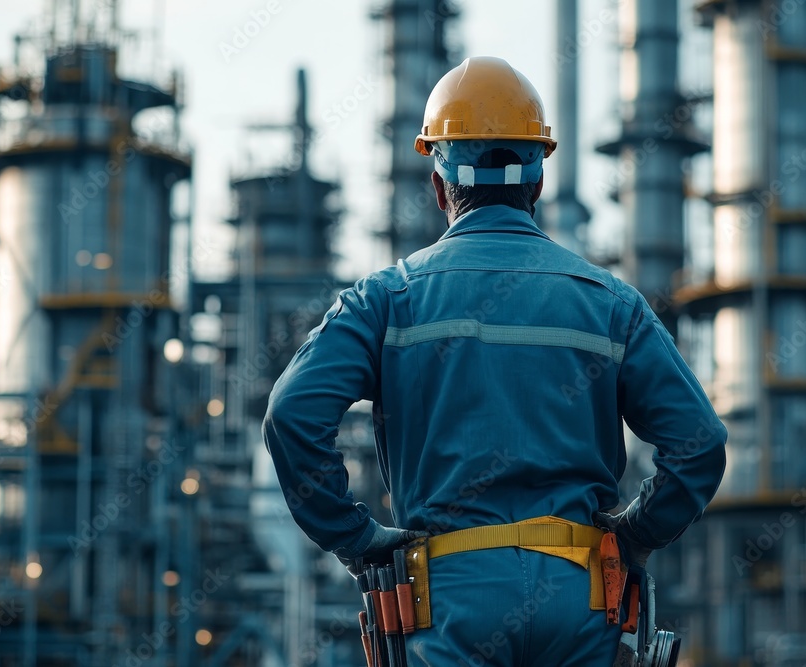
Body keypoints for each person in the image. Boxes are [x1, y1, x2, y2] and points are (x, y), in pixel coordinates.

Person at [262, 56, 727, 666]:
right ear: (536, 181)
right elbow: (700, 444)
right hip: (582, 600)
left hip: (447, 605)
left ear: (437, 184)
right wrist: (636, 534)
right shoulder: (611, 305)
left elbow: (291, 415)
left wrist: (358, 540)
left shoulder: (387, 300)